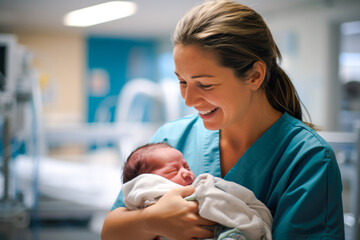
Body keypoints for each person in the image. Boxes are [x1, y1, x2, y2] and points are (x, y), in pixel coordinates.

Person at [101, 0, 345, 239]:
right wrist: (151, 220)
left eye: (205, 84)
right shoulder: (171, 140)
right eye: (182, 81)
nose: (188, 99)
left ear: (255, 75)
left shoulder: (307, 159)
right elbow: (111, 231)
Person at [121, 142, 273, 240]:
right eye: (172, 171)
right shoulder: (149, 196)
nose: (186, 173)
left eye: (186, 167)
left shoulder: (204, 187)